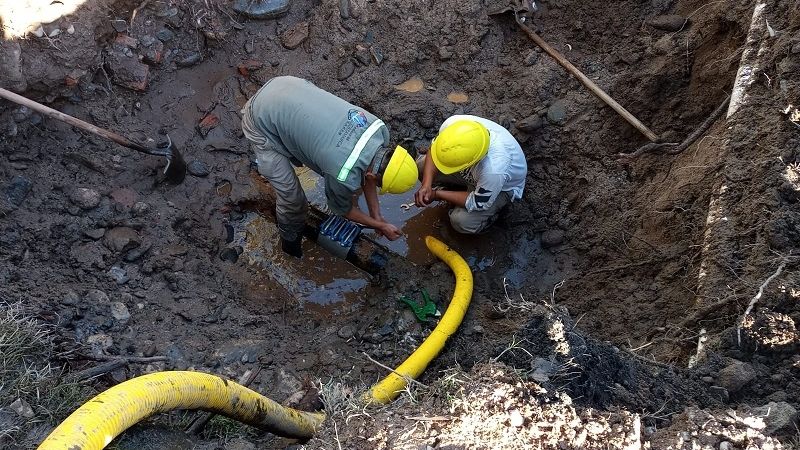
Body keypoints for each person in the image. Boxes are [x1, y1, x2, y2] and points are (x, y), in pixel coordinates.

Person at [241, 76, 418, 257]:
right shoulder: (342, 172)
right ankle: (290, 245)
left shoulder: (379, 130)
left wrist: (376, 215)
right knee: (293, 201)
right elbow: (343, 210)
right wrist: (380, 225)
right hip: (259, 120)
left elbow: (370, 170)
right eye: (380, 184)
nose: (375, 183)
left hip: (287, 85)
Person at [414, 115, 527, 234]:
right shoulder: (452, 125)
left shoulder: (494, 169)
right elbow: (434, 150)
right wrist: (426, 185)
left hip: (501, 188)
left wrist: (437, 194)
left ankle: (489, 218)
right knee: (421, 168)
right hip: (475, 174)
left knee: (461, 222)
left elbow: (477, 202)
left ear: (470, 162)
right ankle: (455, 191)